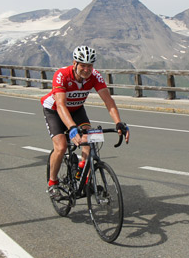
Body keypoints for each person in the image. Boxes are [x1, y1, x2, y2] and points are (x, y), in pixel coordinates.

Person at [42, 45, 130, 199]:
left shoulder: (95, 76)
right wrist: (72, 128)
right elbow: (61, 105)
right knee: (61, 146)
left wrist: (118, 123)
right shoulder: (62, 75)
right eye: (83, 65)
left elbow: (108, 101)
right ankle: (52, 183)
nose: (86, 69)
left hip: (77, 109)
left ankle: (82, 176)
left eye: (90, 65)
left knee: (90, 140)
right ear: (74, 63)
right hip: (55, 110)